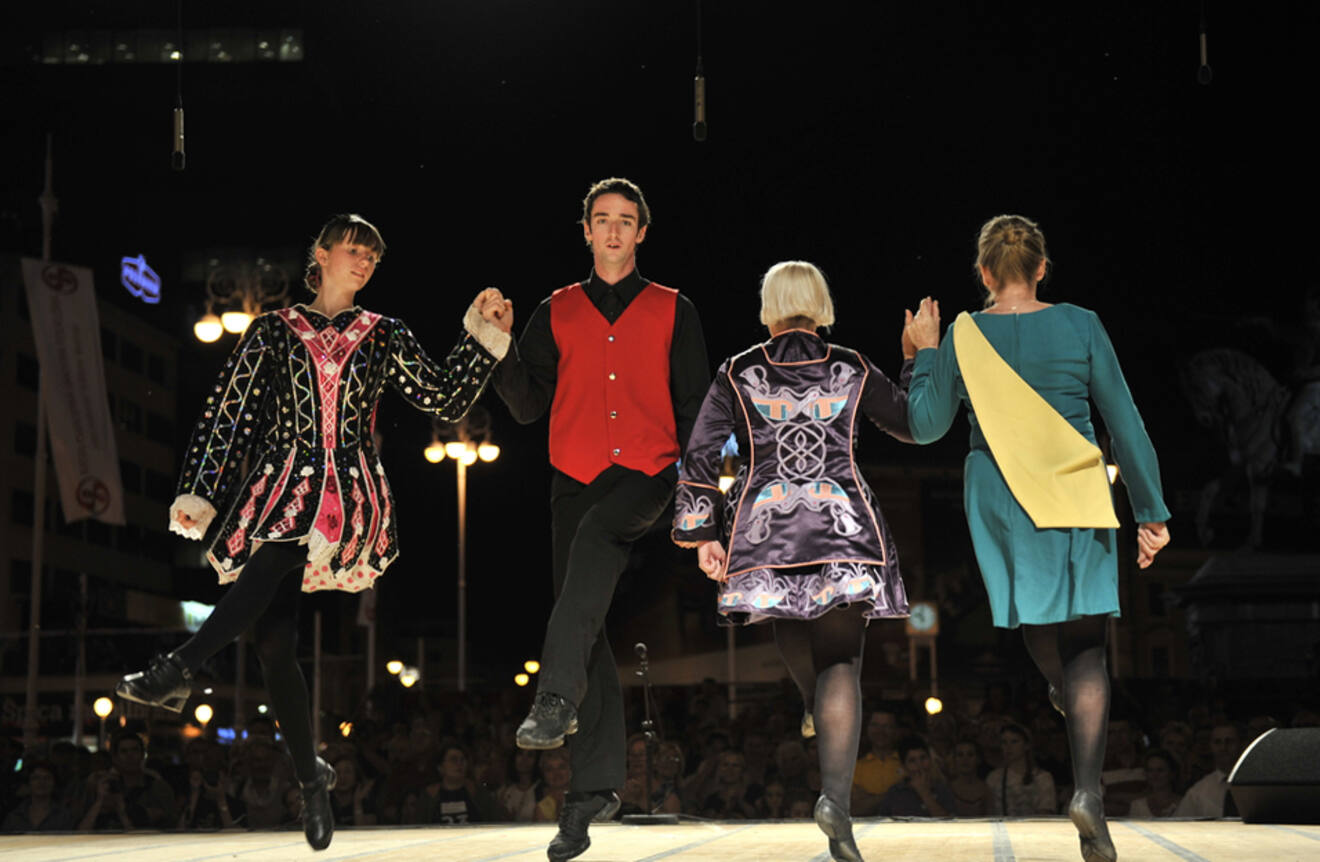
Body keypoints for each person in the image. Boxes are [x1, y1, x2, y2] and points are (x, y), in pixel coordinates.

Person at [114, 213, 512, 850]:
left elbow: (442, 399)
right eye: (354, 250)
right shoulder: (273, 332)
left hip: (345, 489)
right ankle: (311, 777)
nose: (365, 262)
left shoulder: (384, 334)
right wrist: (201, 491)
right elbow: (228, 413)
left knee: (273, 563)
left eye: (373, 257)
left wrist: (482, 337)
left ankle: (180, 666)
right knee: (274, 643)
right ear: (321, 255)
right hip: (279, 485)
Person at [904, 214, 1172, 862]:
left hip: (1003, 500)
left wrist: (923, 355)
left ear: (986, 273)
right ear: (1042, 268)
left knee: (1037, 618)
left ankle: (1061, 691)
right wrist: (1151, 511)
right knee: (1087, 651)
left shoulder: (964, 334)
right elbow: (1124, 420)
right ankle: (1088, 794)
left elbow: (926, 426)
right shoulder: (1081, 323)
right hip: (1075, 489)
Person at [492, 177, 709, 862]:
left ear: (642, 232)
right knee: (583, 625)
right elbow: (526, 406)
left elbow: (697, 408)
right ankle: (588, 800)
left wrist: (702, 501)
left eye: (626, 221)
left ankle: (553, 699)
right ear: (585, 230)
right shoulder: (555, 310)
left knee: (590, 555)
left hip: (649, 473)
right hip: (575, 479)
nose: (614, 231)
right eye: (601, 220)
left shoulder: (675, 309)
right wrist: (497, 347)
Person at [673, 260, 914, 862]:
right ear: (823, 304)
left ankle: (809, 705)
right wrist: (917, 359)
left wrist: (703, 533)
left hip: (765, 529)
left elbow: (700, 454)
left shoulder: (739, 371)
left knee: (790, 628)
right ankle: (836, 801)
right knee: (841, 663)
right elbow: (911, 424)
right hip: (844, 527)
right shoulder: (852, 367)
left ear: (769, 308)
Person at [78, 730, 175, 831]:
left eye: (135, 750)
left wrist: (123, 810)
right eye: (124, 751)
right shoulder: (106, 786)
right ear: (115, 758)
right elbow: (81, 830)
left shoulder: (158, 788)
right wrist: (100, 801)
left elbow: (167, 822)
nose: (130, 755)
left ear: (142, 755)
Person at [985, 721, 1056, 816]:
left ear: (1026, 745)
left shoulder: (1043, 778)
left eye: (1014, 741)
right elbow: (989, 812)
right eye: (1004, 742)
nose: (1008, 747)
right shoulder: (994, 778)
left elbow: (1045, 813)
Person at [1174, 722, 1243, 817]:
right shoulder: (1198, 792)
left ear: (1241, 744)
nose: (1223, 747)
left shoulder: (1256, 786)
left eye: (1229, 741)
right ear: (1211, 746)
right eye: (1217, 742)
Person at [876, 736, 955, 817]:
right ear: (904, 767)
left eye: (923, 758)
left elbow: (948, 825)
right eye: (912, 761)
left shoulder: (943, 789)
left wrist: (924, 793)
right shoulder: (895, 792)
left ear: (930, 760)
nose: (920, 765)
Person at [852, 709, 904, 816]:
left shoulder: (909, 764)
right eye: (875, 725)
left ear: (896, 730)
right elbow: (856, 809)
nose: (880, 731)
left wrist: (871, 799)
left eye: (886, 726)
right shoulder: (856, 767)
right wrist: (894, 794)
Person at [1, 762, 75, 832]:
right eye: (36, 778)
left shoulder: (64, 816)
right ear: (28, 783)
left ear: (54, 783)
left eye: (47, 778)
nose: (41, 782)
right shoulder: (14, 816)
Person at [1128, 749, 1182, 818]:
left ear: (1172, 773)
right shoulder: (1137, 806)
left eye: (1160, 770)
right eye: (1150, 770)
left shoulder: (1183, 804)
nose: (1154, 775)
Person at [948, 739, 992, 817]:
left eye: (970, 754)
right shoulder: (947, 789)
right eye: (960, 755)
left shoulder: (987, 790)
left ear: (978, 759)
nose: (965, 759)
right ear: (954, 759)